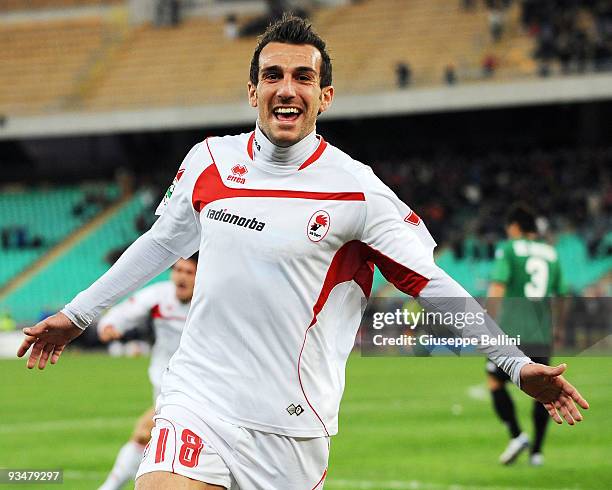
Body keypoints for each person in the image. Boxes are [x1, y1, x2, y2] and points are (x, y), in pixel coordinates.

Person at [18, 15, 588, 490]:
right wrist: (77, 314)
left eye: (301, 77)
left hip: (292, 426)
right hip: (200, 397)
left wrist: (515, 363)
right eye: (271, 75)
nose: (285, 88)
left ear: (325, 95)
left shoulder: (358, 191)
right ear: (252, 91)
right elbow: (159, 243)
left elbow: (431, 284)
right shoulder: (208, 161)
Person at [97, 255, 197, 490]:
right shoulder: (161, 296)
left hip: (195, 386)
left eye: (189, 272)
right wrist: (110, 325)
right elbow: (126, 310)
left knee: (145, 432)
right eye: (178, 270)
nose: (181, 276)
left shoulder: (209, 302)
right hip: (165, 383)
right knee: (148, 437)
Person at [486, 205, 566, 466]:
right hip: (540, 332)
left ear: (515, 227)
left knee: (495, 381)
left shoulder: (509, 249)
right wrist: (559, 326)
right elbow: (562, 295)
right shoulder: (551, 253)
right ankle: (537, 452)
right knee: (544, 387)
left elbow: (498, 285)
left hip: (510, 332)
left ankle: (517, 435)